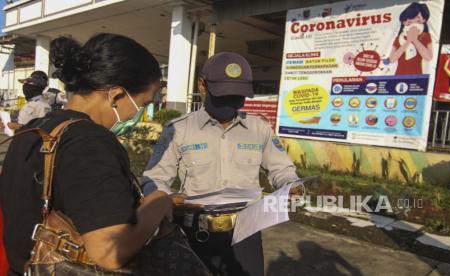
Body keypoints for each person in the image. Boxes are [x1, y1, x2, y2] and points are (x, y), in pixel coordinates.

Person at [0, 33, 174, 275]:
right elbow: (108, 251)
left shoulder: (32, 130)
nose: (138, 115)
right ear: (116, 95)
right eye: (142, 104)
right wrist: (158, 203)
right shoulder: (89, 142)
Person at [142, 52, 302, 276]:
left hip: (246, 233)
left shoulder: (259, 129)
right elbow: (154, 177)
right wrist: (164, 201)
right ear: (203, 86)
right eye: (223, 95)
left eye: (236, 96)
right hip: (195, 233)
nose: (229, 102)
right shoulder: (178, 129)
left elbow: (282, 169)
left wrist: (291, 185)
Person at [388, 2, 433, 75]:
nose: (414, 23)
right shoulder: (399, 38)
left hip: (417, 75)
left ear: (423, 20)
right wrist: (408, 41)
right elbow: (392, 59)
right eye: (410, 20)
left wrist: (415, 40)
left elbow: (428, 57)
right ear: (405, 22)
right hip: (399, 75)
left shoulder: (425, 36)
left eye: (418, 19)